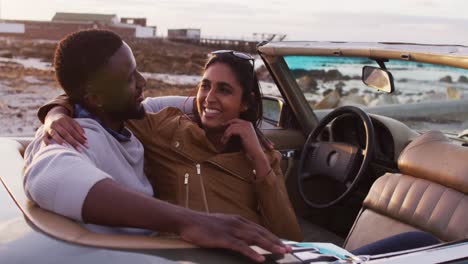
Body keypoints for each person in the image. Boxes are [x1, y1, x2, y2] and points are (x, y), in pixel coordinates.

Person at [23, 29, 292, 263]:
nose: (143, 81)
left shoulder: (129, 119)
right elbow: (51, 174)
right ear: (96, 97)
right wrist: (190, 220)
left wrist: (254, 142)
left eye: (224, 90)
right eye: (130, 77)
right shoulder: (90, 135)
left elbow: (198, 104)